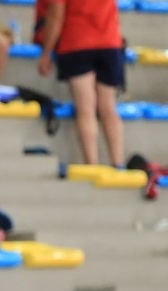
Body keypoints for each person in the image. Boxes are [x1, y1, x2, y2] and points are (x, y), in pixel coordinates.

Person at [38, 0, 124, 167]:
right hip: (109, 41)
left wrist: (46, 52)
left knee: (86, 110)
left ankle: (92, 166)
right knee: (109, 108)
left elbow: (56, 14)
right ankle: (118, 163)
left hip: (77, 42)